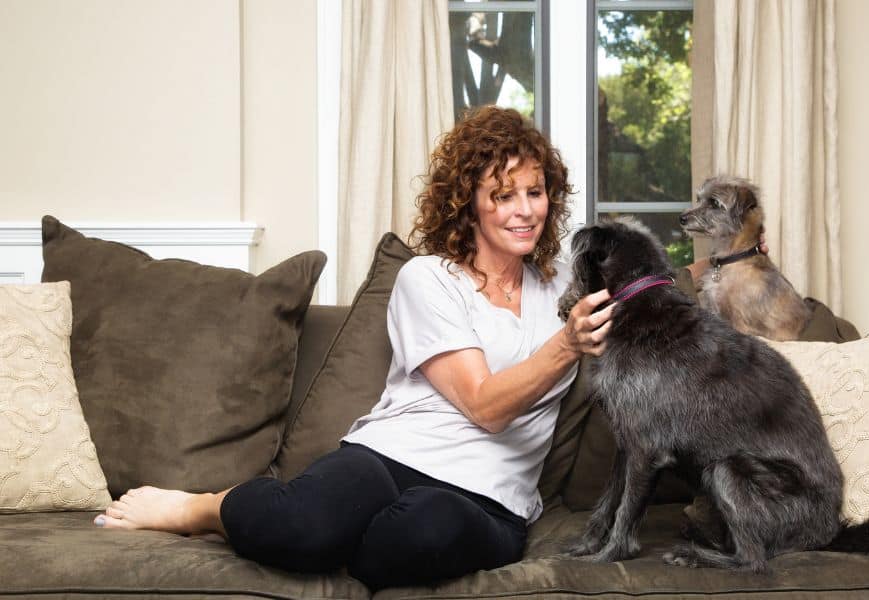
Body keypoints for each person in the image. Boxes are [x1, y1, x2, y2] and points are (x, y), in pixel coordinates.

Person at [92, 105, 613, 590]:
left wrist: (698, 274)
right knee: (304, 527)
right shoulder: (428, 278)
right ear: (469, 204)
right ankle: (204, 510)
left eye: (535, 192)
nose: (525, 211)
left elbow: (647, 293)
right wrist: (567, 343)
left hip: (491, 499)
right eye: (503, 195)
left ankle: (338, 542)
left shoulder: (565, 290)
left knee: (423, 534)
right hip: (388, 459)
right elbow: (484, 405)